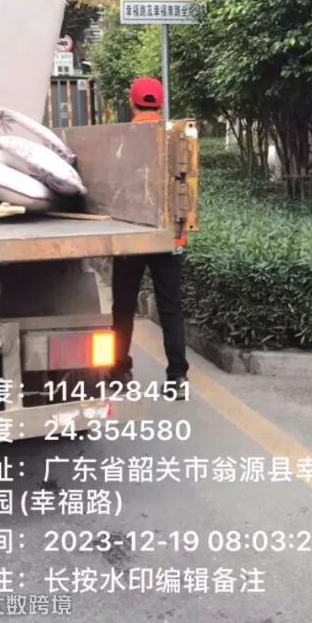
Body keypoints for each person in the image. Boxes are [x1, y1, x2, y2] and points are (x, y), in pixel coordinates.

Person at [110, 78, 189, 399]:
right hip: (169, 236)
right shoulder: (177, 137)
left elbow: (112, 185)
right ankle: (178, 378)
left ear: (132, 103)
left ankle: (119, 373)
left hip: (131, 235)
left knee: (123, 307)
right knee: (171, 309)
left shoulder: (122, 138)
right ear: (161, 103)